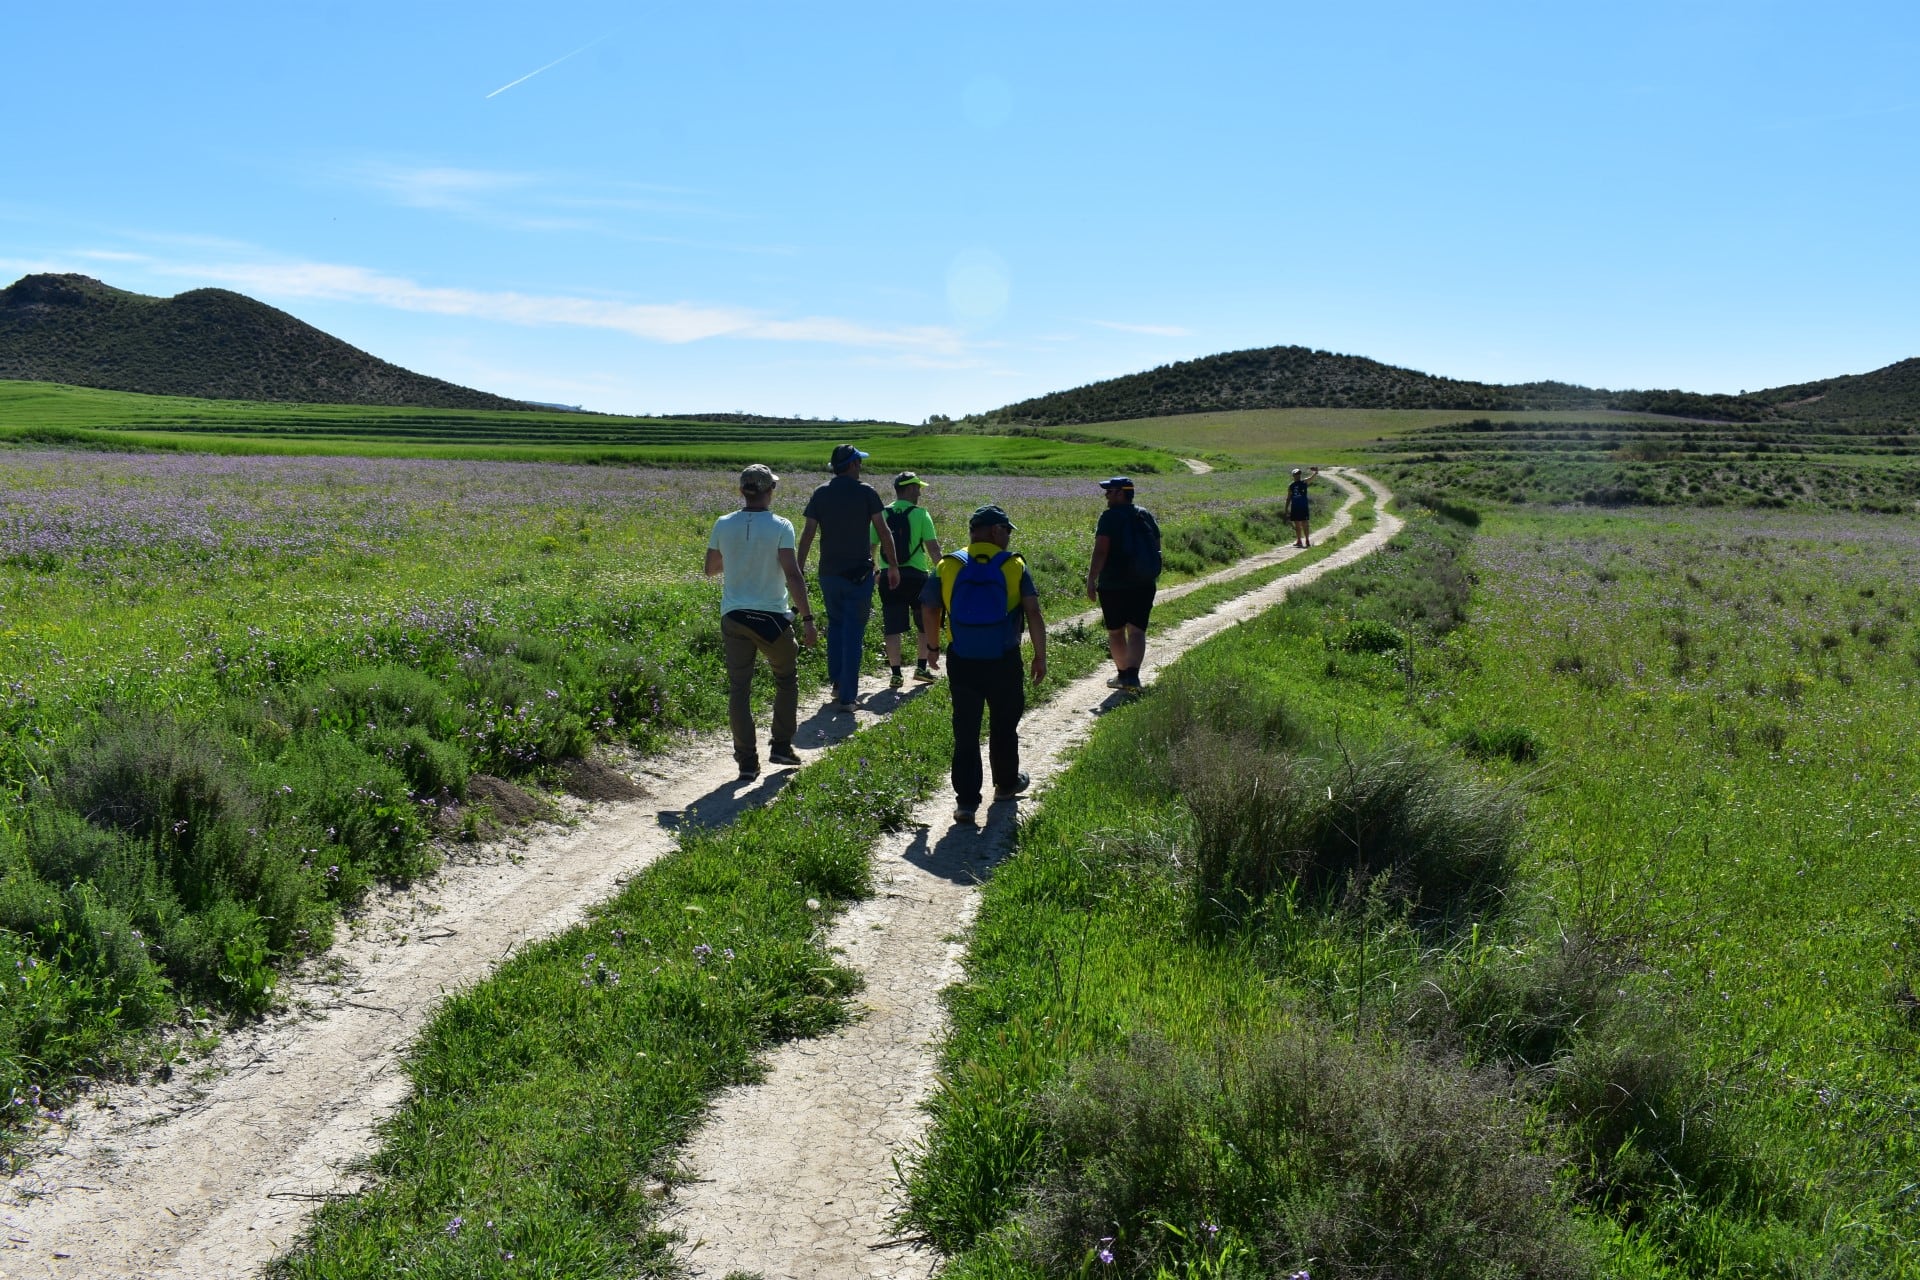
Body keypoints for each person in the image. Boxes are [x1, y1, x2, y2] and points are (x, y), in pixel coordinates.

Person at [921, 504, 1047, 826]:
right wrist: (1040, 655)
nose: (1008, 536)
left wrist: (933, 647)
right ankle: (1005, 785)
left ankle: (966, 803)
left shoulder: (947, 564)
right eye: (1007, 530)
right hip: (1003, 660)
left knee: (965, 729)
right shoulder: (1014, 564)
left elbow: (931, 609)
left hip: (962, 660)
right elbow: (1033, 611)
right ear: (995, 530)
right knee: (1004, 725)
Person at [704, 464, 818, 779]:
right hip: (771, 619)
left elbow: (711, 568)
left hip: (734, 616)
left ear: (742, 491)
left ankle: (746, 762)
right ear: (770, 491)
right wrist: (807, 618)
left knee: (739, 689)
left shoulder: (723, 523)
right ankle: (780, 746)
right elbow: (793, 575)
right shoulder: (782, 526)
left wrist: (740, 555)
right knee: (785, 679)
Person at [797, 444, 901, 712]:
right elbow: (884, 531)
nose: (861, 467)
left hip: (829, 574)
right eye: (859, 462)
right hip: (859, 575)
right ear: (853, 464)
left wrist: (797, 566)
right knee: (854, 632)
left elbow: (808, 533)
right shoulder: (866, 492)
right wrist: (893, 567)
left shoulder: (821, 493)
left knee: (836, 625)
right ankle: (847, 698)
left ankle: (836, 684)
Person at [1084, 476, 1161, 693]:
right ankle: (1133, 679)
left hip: (1113, 584)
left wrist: (1091, 579)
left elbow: (1101, 551)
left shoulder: (1109, 518)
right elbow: (1156, 546)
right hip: (1144, 583)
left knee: (1116, 632)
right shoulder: (1144, 514)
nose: (1106, 495)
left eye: (1110, 491)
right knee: (1137, 631)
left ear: (1120, 493)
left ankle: (1122, 676)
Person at [871, 470, 942, 688]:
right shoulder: (921, 514)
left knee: (892, 626)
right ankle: (921, 669)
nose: (920, 492)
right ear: (910, 489)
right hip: (917, 576)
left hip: (889, 577)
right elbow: (933, 549)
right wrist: (943, 574)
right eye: (918, 487)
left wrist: (875, 573)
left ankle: (895, 674)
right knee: (924, 624)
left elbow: (870, 549)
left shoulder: (881, 514)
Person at [1287, 466, 1320, 547]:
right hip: (1295, 507)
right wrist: (1286, 508)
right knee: (1297, 525)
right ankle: (1299, 541)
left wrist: (1315, 472)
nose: (1298, 475)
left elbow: (1312, 478)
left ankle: (1307, 540)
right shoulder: (1291, 485)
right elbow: (1288, 497)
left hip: (1303, 507)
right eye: (1296, 474)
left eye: (1299, 474)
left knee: (1305, 524)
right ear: (1293, 475)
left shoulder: (1304, 482)